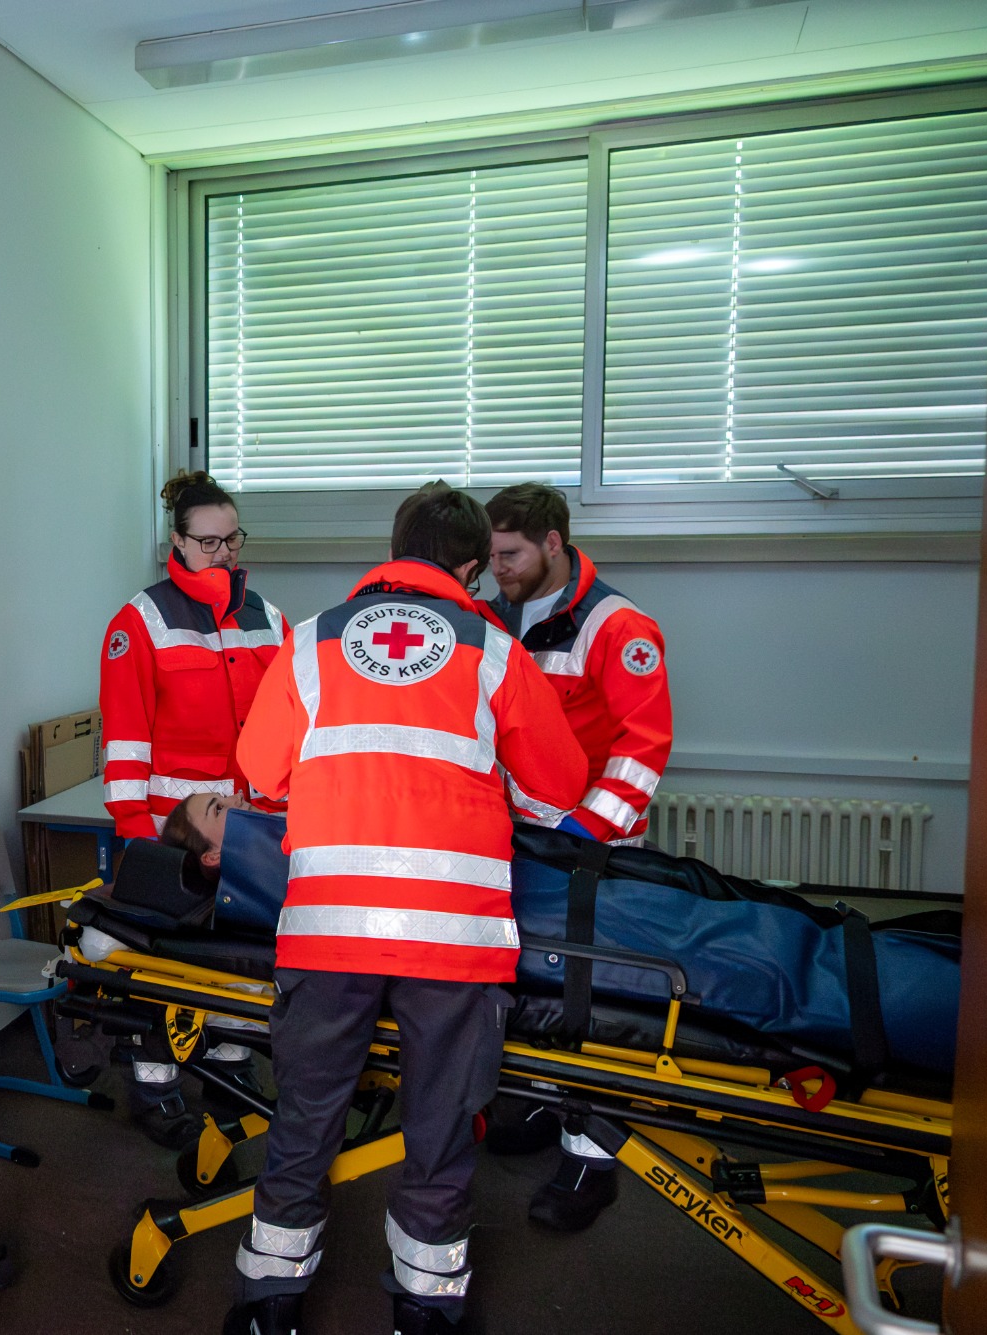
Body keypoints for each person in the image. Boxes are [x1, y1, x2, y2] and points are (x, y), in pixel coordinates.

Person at [223, 484, 587, 1335]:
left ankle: (270, 1298)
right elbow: (558, 789)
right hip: (455, 942)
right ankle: (427, 1303)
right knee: (441, 1125)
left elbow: (259, 774)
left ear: (392, 551)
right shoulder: (495, 651)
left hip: (328, 931)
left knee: (304, 1113)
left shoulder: (310, 640)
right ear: (471, 565)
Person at [482, 483, 675, 1230]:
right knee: (529, 985)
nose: (497, 568)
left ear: (554, 544)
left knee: (593, 1003)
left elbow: (643, 747)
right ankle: (539, 1102)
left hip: (594, 850)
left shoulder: (617, 626)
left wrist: (586, 832)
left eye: (510, 554)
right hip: (521, 843)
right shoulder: (493, 617)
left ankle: (590, 1158)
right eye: (491, 555)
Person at [100, 471, 287, 1148]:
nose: (223, 553)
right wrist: (136, 840)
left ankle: (229, 1067)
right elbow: (124, 742)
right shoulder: (140, 620)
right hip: (168, 831)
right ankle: (155, 1084)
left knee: (240, 956)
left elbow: (285, 728)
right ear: (176, 541)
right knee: (161, 964)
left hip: (246, 827)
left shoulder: (270, 618)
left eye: (232, 539)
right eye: (208, 541)